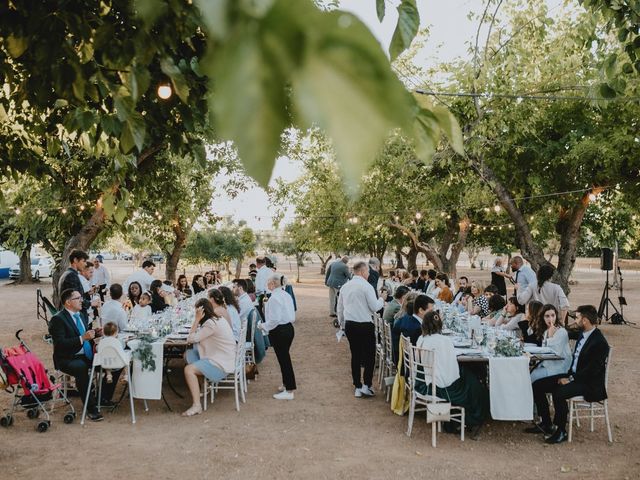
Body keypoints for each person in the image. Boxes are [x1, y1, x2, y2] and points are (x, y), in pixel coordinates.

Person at [529, 305, 610, 444]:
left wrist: (570, 378)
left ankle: (561, 431)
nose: (575, 320)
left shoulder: (599, 342)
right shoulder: (583, 334)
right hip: (573, 376)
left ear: (584, 320)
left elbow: (592, 370)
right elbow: (562, 334)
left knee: (559, 392)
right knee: (538, 385)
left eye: (577, 318)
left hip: (588, 383)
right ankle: (547, 423)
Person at [415, 311, 489, 439]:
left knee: (468, 376)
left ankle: (458, 421)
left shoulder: (421, 339)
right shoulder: (444, 340)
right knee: (473, 383)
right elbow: (451, 370)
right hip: (438, 387)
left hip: (422, 383)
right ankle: (474, 419)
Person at [49, 289, 106, 421]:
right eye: (78, 298)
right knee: (81, 367)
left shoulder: (81, 315)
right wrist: (82, 338)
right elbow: (60, 344)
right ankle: (91, 409)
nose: (82, 300)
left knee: (110, 360)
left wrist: (95, 333)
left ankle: (103, 398)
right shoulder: (57, 319)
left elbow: (85, 334)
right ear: (68, 302)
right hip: (67, 357)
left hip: (86, 354)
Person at [337, 261, 386, 398]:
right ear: (362, 271)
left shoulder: (346, 286)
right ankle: (367, 385)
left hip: (350, 325)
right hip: (365, 324)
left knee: (355, 355)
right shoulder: (367, 286)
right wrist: (382, 299)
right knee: (369, 356)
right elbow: (375, 307)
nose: (369, 274)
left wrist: (342, 325)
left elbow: (339, 308)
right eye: (368, 272)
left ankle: (357, 386)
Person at [182, 298, 236, 417]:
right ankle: (203, 386)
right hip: (224, 356)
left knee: (188, 370)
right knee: (188, 354)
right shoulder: (217, 319)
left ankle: (197, 405)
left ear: (201, 312)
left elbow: (190, 339)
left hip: (221, 364)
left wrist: (196, 320)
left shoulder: (211, 324)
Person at [261, 273, 297, 400]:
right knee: (283, 358)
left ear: (273, 284)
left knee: (284, 359)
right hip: (288, 328)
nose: (267, 285)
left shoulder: (275, 298)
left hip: (280, 330)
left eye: (268, 282)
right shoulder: (285, 294)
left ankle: (289, 389)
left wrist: (263, 326)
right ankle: (286, 383)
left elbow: (274, 320)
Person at [530, 305, 572, 383]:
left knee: (532, 376)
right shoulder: (546, 330)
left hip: (558, 367)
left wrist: (550, 337)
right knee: (528, 372)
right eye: (547, 316)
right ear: (543, 318)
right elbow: (544, 350)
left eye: (553, 315)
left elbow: (554, 353)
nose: (551, 319)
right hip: (547, 364)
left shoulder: (561, 332)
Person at [392, 294, 434, 365]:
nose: (433, 314)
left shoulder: (407, 317)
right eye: (431, 311)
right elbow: (425, 352)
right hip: (412, 366)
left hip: (402, 360)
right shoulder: (417, 329)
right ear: (421, 310)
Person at [58, 249, 98, 314]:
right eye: (84, 261)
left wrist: (87, 294)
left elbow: (72, 295)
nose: (85, 264)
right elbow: (75, 299)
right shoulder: (71, 275)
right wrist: (91, 303)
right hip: (71, 316)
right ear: (75, 260)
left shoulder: (70, 274)